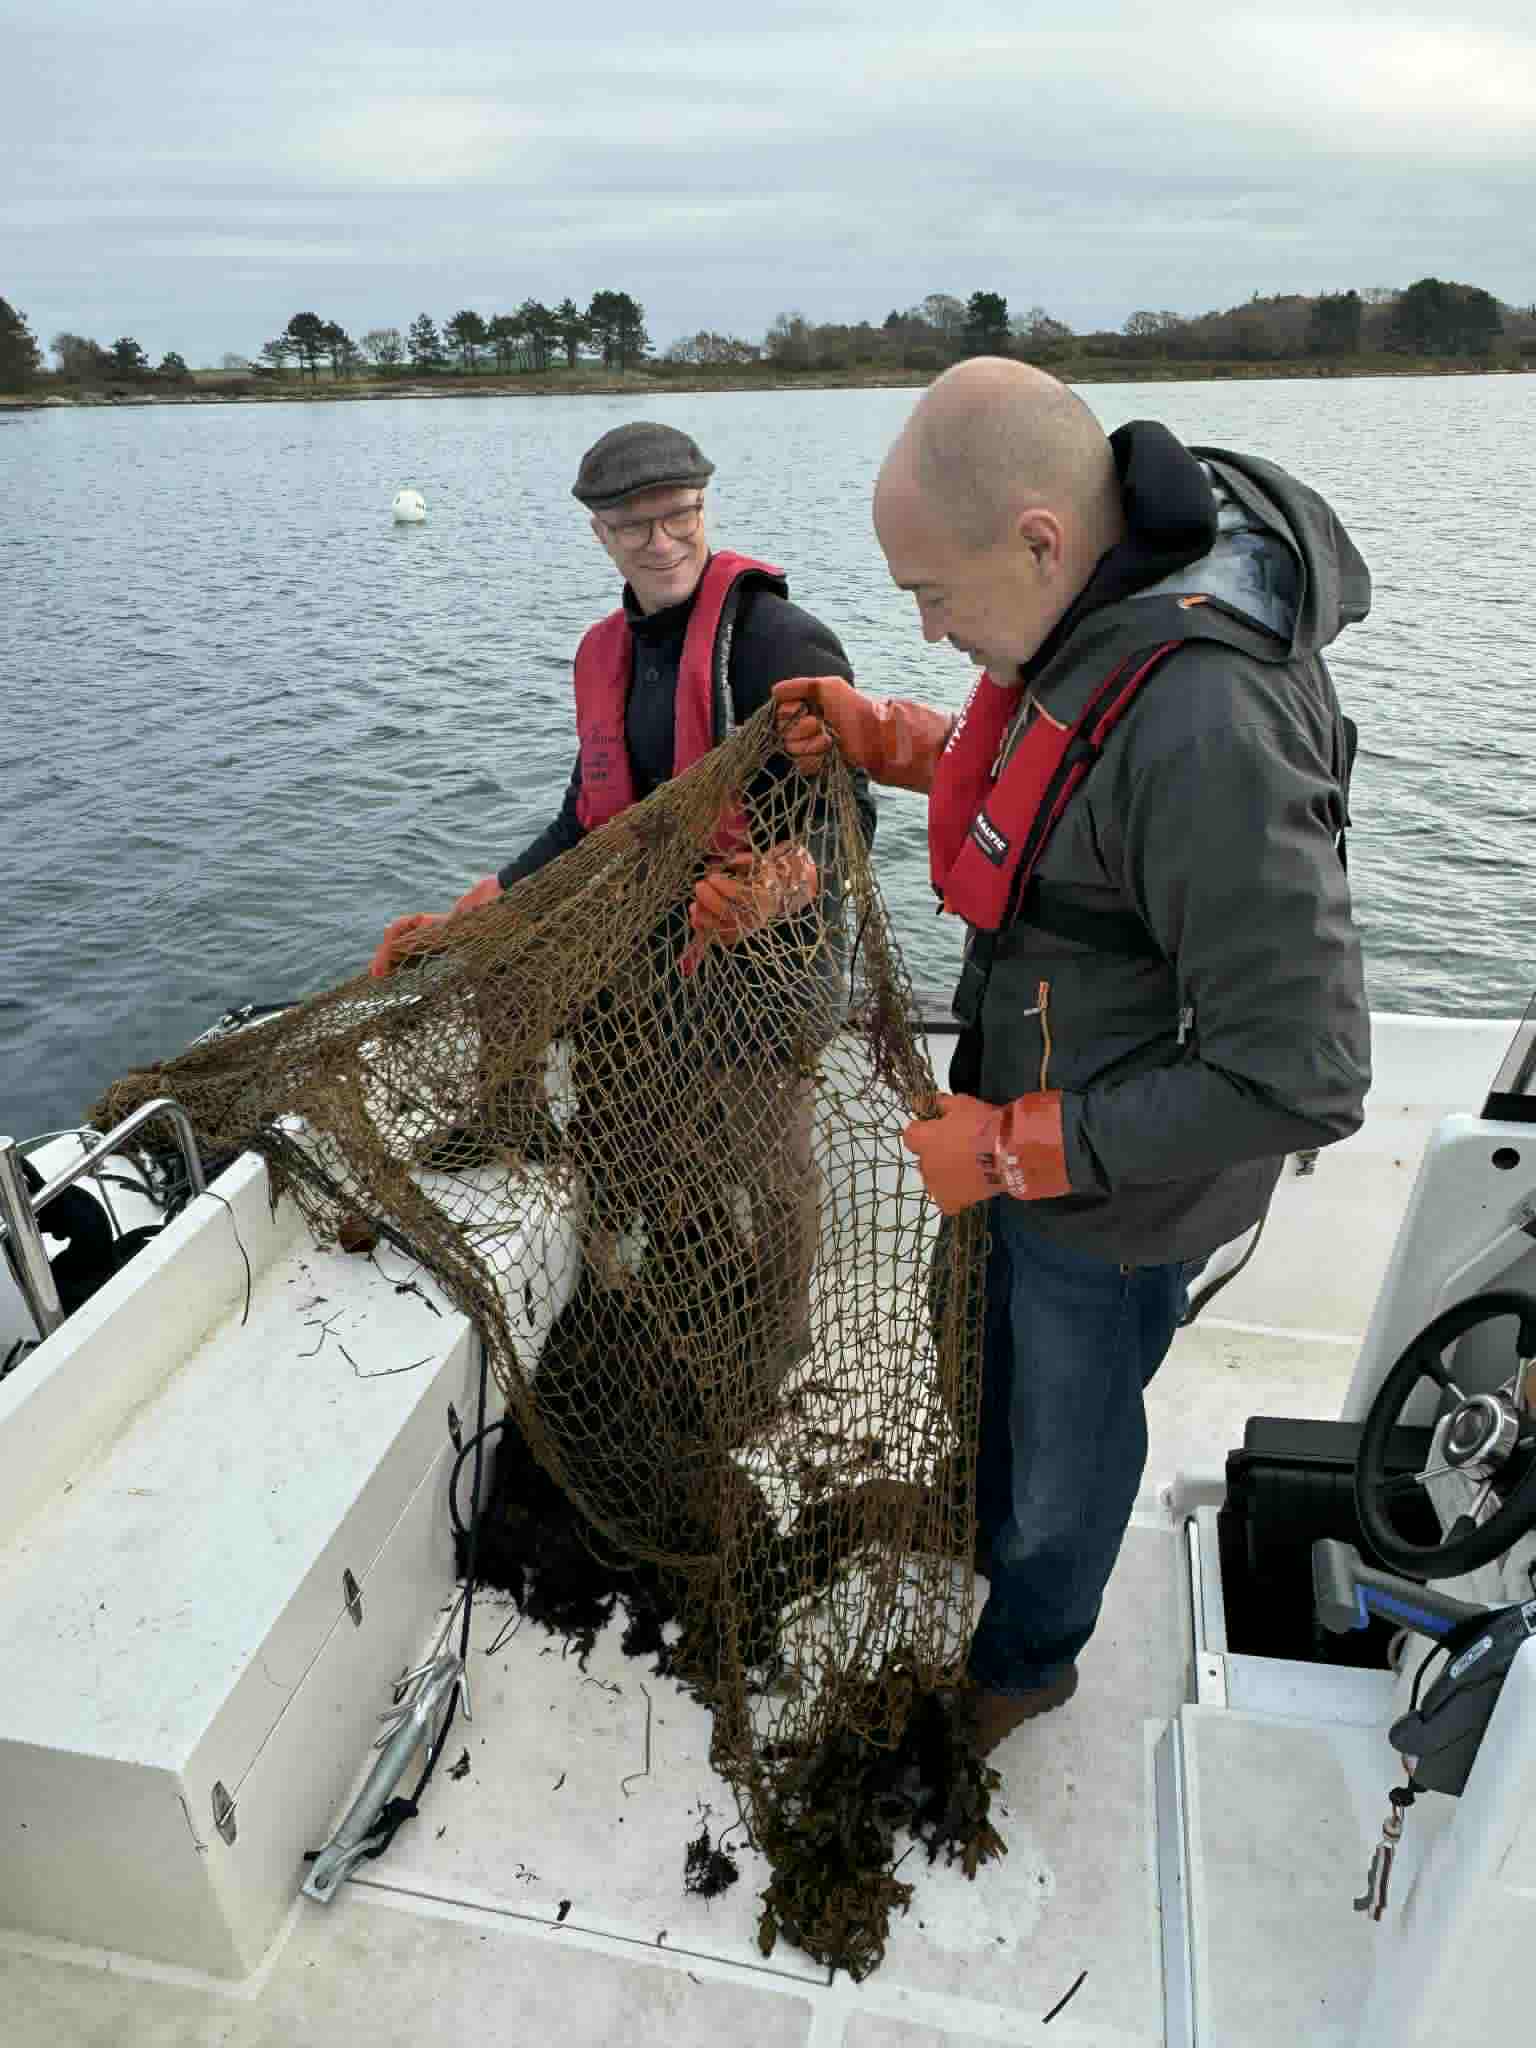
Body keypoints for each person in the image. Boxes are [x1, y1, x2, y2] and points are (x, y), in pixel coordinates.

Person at [772, 359, 1371, 1755]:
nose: (922, 632)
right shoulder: (1098, 599)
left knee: (1065, 1457)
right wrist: (903, 744)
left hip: (1117, 1200)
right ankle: (981, 1535)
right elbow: (1061, 795)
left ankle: (1030, 1656)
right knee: (975, 1359)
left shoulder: (1209, 723)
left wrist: (1004, 1148)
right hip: (1028, 1099)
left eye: (934, 595)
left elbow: (1304, 1075)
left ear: (1040, 538)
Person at [370, 419, 875, 1388]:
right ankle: (636, 1246)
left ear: (704, 508)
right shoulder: (609, 651)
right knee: (596, 1070)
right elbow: (584, 818)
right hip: (653, 938)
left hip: (772, 958)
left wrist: (779, 882)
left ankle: (772, 1347)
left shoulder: (779, 640)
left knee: (761, 1162)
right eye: (632, 523)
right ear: (600, 533)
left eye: (678, 513)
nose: (660, 539)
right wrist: (488, 903)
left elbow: (850, 813)